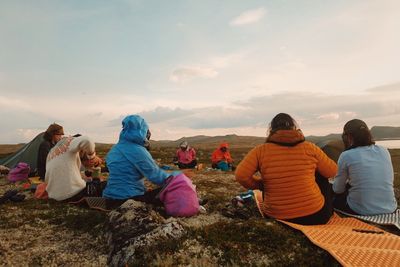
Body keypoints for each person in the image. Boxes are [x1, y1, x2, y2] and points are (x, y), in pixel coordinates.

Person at [235, 113, 338, 225]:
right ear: (294, 128)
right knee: (321, 174)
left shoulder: (260, 151)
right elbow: (332, 171)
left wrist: (261, 185)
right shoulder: (309, 147)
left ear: (271, 130)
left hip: (277, 216)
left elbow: (241, 175)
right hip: (316, 216)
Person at [102, 115, 171, 207]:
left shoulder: (114, 149)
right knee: (171, 189)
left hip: (109, 197)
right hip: (127, 199)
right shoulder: (137, 150)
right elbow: (156, 177)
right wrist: (177, 179)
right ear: (142, 131)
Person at [333, 119, 397, 215]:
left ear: (349, 137)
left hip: (362, 210)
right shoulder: (384, 150)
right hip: (391, 207)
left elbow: (338, 189)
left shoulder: (346, 155)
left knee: (334, 199)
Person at [45, 135, 100, 201]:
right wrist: (92, 156)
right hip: (73, 194)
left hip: (53, 196)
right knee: (106, 186)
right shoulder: (70, 141)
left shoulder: (51, 153)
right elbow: (87, 140)